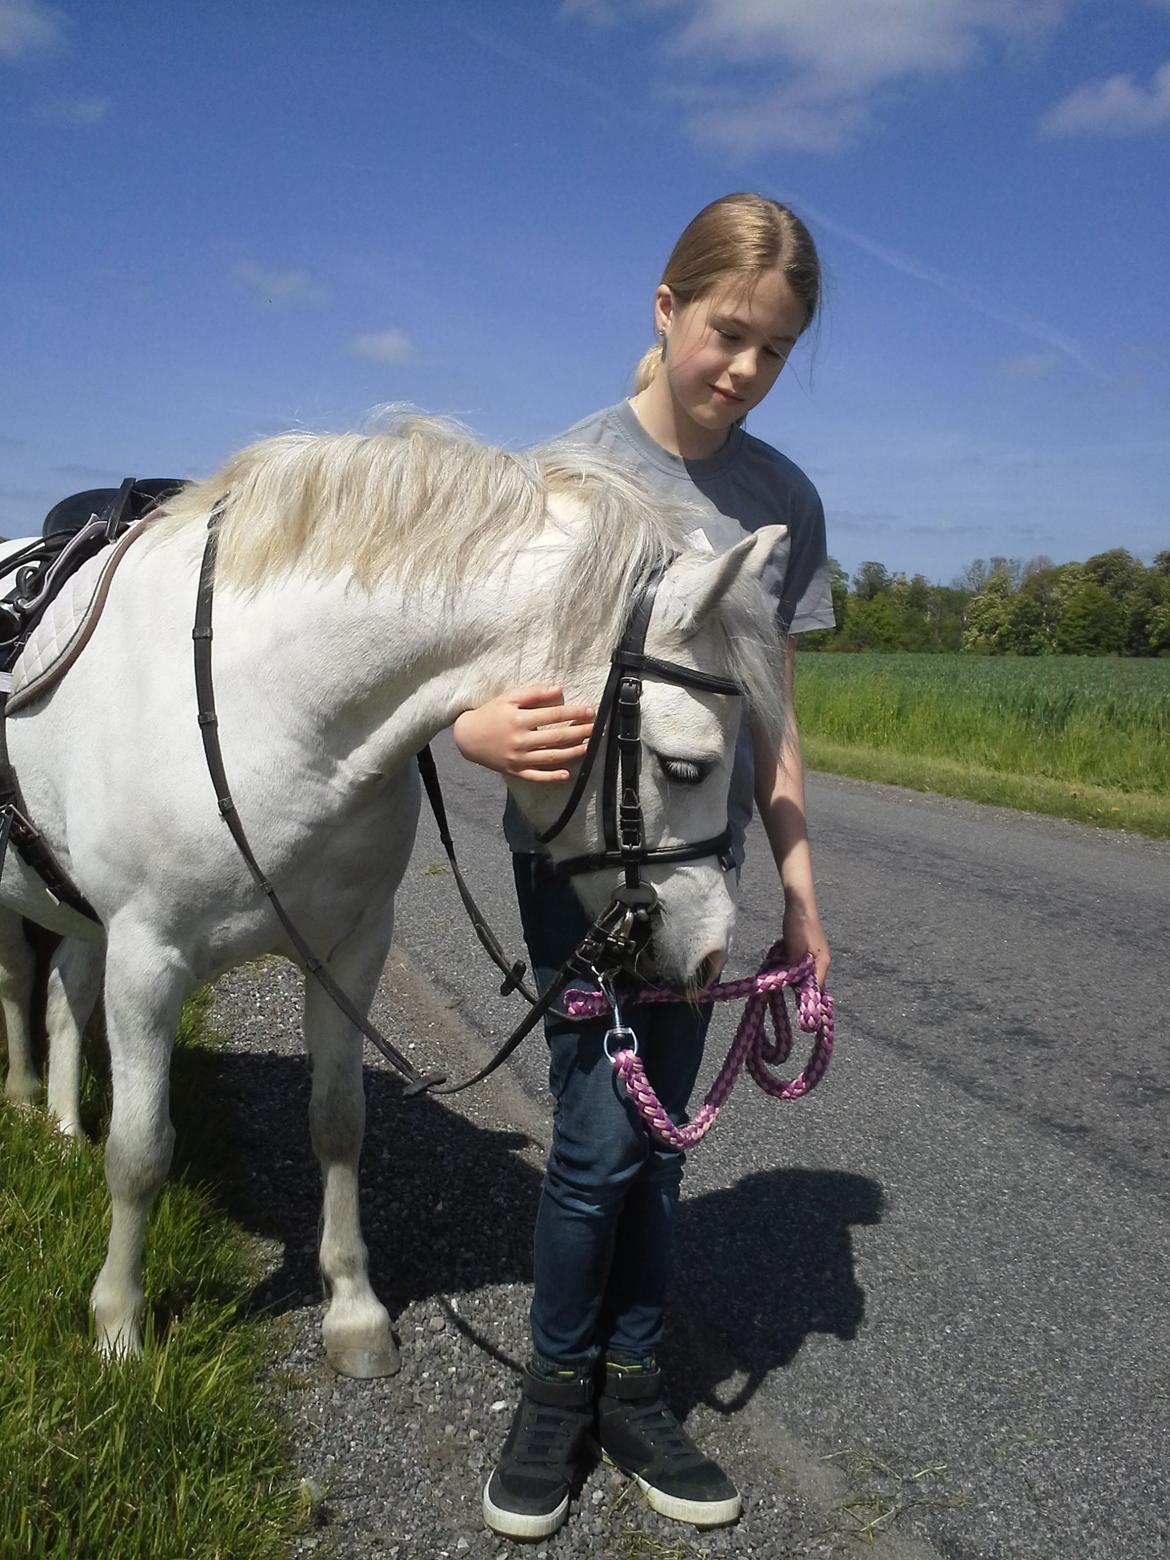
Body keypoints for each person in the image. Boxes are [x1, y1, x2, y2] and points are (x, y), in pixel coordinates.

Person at [453, 192, 836, 1541]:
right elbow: (468, 668)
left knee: (665, 1146)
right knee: (600, 1141)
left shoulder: (781, 501)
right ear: (664, 308)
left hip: (701, 867)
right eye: (725, 331)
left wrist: (794, 886)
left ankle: (631, 1386)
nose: (741, 368)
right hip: (573, 867)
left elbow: (771, 724)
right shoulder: (559, 480)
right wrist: (469, 726)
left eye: (774, 350)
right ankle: (556, 1395)